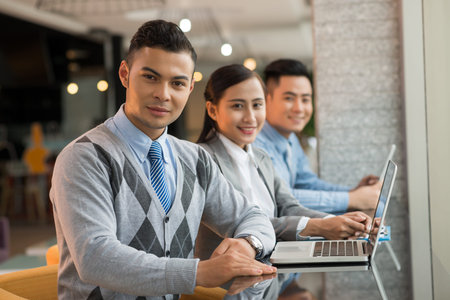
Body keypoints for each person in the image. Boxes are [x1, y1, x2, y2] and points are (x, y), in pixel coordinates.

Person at [50, 20, 277, 300]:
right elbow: (95, 255)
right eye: (150, 77)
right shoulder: (85, 157)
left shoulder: (195, 160)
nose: (163, 94)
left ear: (190, 88)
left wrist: (247, 244)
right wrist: (199, 273)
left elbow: (251, 216)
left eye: (177, 83)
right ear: (124, 74)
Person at [195, 64, 373, 258]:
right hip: (226, 280)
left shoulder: (261, 156)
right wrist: (320, 226)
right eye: (237, 106)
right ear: (212, 110)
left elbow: (289, 206)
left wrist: (340, 222)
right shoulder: (203, 160)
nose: (250, 117)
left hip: (268, 267)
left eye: (257, 105)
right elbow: (245, 225)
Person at [253, 59, 381, 214]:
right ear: (266, 100)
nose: (299, 108)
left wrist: (355, 191)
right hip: (279, 228)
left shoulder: (290, 139)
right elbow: (280, 199)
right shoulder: (256, 143)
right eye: (289, 98)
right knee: (372, 211)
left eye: (305, 99)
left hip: (294, 219)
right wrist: (352, 198)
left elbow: (308, 183)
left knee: (376, 206)